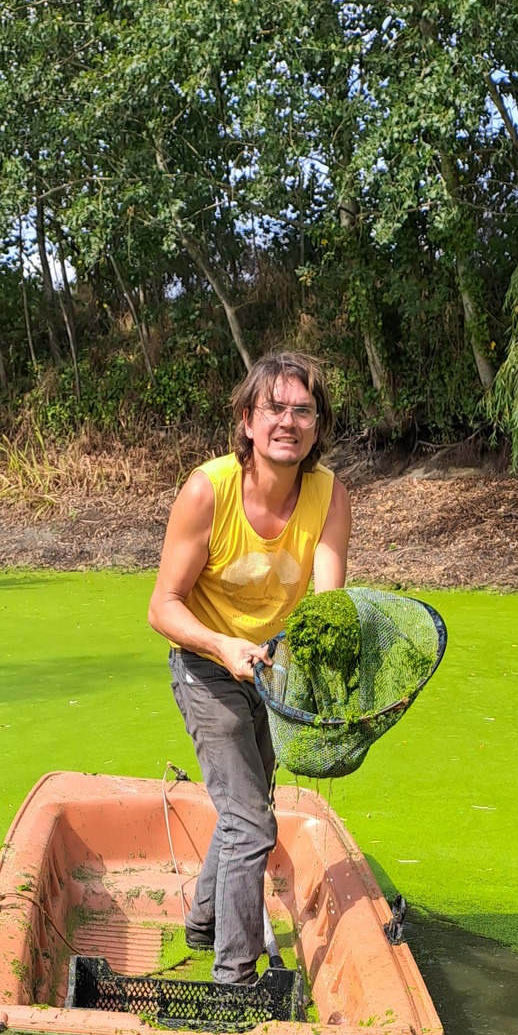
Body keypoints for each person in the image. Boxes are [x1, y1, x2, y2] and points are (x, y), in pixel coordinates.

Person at [148, 351, 352, 984]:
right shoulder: (208, 491)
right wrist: (222, 646)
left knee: (246, 805)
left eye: (303, 411)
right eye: (275, 409)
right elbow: (162, 606)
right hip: (208, 665)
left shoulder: (329, 496)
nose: (288, 422)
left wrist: (320, 672)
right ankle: (233, 978)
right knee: (251, 821)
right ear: (246, 419)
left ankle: (204, 921)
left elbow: (327, 608)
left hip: (273, 671)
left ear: (317, 426)